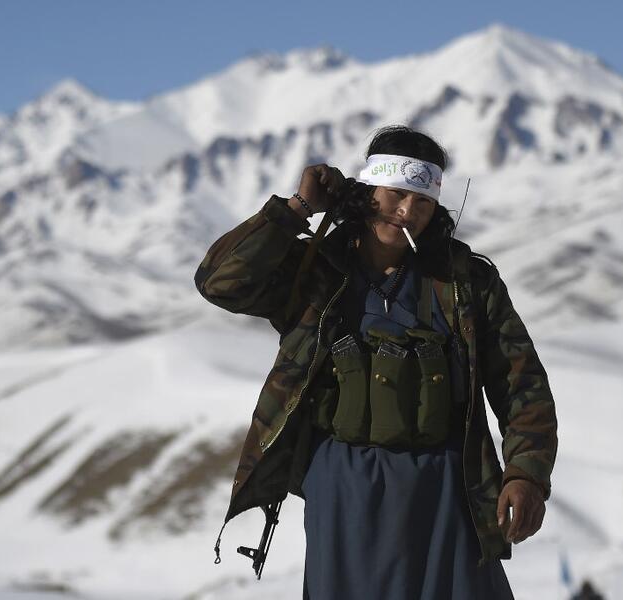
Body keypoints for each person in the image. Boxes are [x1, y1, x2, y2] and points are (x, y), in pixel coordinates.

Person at [194, 125, 558, 599]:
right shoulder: (314, 272)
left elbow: (520, 382)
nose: (407, 211)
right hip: (343, 486)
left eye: (422, 202)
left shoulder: (466, 283)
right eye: (395, 194)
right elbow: (219, 282)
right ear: (367, 192)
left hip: (446, 485)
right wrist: (297, 210)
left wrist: (527, 473)